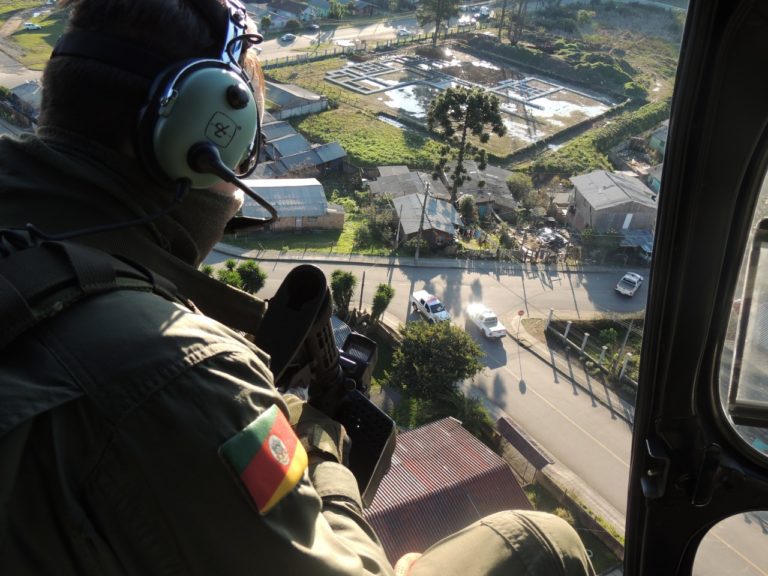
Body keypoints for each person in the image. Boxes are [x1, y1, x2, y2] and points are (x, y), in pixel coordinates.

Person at [0, 1, 596, 575]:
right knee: (544, 543)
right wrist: (319, 444)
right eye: (243, 155)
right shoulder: (178, 371)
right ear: (203, 141)